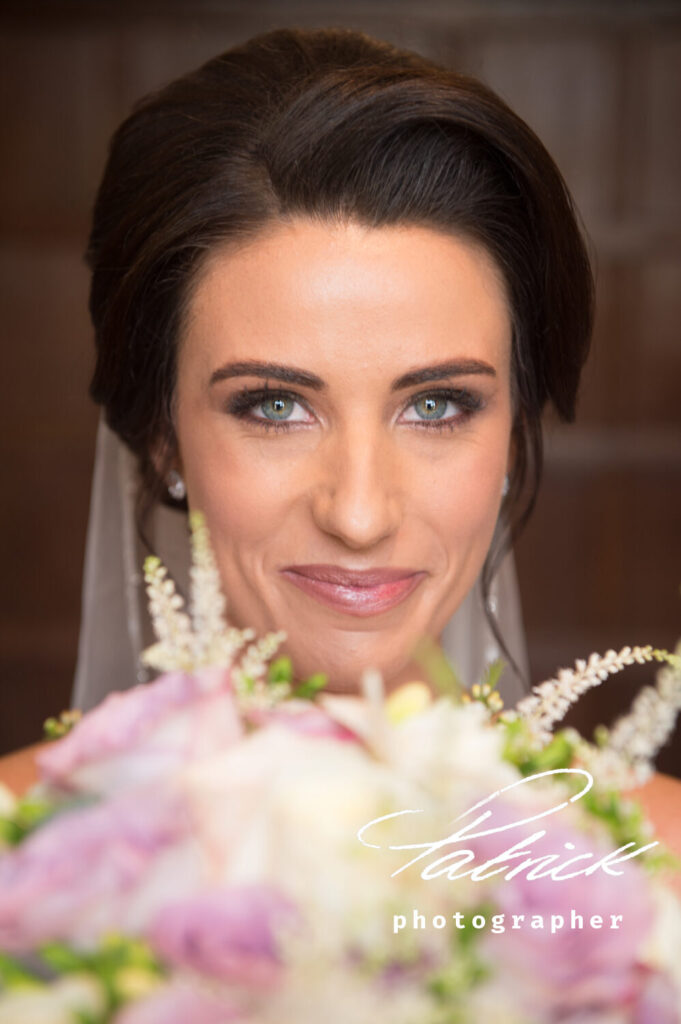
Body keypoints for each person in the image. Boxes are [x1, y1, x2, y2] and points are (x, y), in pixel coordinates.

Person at [1, 27, 679, 843]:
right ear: (161, 438)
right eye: (274, 406)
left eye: (436, 405)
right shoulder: (23, 857)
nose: (358, 515)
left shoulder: (653, 869)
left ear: (510, 432)